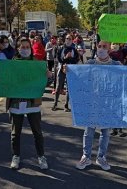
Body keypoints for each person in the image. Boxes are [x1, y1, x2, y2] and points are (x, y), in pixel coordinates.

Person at [0, 38, 49, 170]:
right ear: (17, 49)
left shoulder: (37, 64)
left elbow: (44, 84)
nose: (25, 49)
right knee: (15, 133)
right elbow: (2, 83)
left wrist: (48, 75)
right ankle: (16, 156)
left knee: (37, 133)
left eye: (27, 47)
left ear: (31, 48)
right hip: (16, 103)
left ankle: (41, 156)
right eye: (22, 47)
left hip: (32, 104)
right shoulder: (11, 65)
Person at [76, 40, 122, 171]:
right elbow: (79, 75)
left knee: (105, 132)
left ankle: (101, 157)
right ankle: (86, 156)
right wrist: (68, 70)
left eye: (104, 47)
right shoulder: (90, 63)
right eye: (99, 46)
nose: (101, 49)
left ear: (109, 49)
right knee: (88, 131)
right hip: (92, 102)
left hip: (108, 104)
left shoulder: (115, 64)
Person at [52, 34, 79, 112]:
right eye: (67, 38)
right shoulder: (61, 48)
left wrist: (71, 58)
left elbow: (76, 60)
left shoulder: (74, 49)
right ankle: (55, 103)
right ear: (65, 39)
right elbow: (58, 58)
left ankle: (66, 105)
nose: (68, 40)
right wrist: (65, 58)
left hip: (71, 70)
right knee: (58, 87)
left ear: (72, 40)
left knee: (69, 88)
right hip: (61, 69)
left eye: (70, 39)